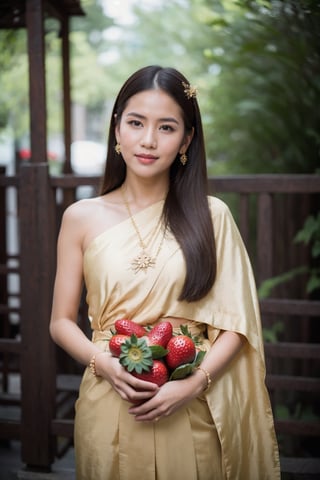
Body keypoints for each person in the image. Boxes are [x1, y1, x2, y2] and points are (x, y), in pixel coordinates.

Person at [50, 65, 280, 480]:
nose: (149, 140)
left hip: (191, 404)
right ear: (117, 126)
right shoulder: (80, 217)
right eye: (136, 122)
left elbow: (237, 324)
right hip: (110, 395)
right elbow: (61, 322)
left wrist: (193, 385)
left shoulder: (213, 216)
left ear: (187, 138)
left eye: (167, 127)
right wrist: (105, 365)